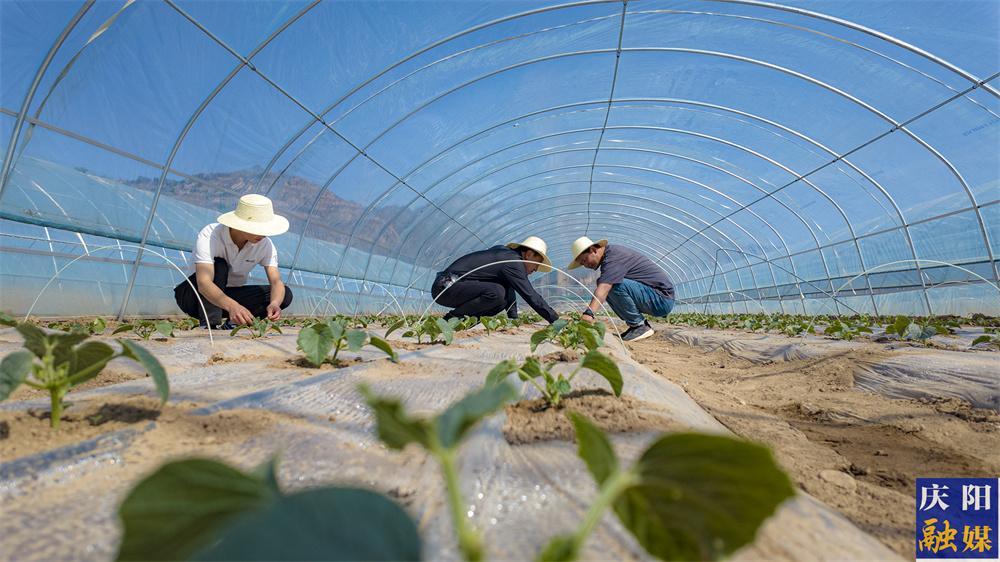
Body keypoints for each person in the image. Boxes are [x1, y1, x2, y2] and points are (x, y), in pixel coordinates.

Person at [174, 194, 293, 328]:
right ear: (241, 224)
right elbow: (203, 283)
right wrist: (233, 306)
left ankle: (233, 323)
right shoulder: (211, 234)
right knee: (219, 265)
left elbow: (276, 281)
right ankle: (209, 325)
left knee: (285, 293)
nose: (263, 234)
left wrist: (275, 303)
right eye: (259, 229)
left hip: (228, 296)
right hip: (194, 297)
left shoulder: (265, 244)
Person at [568, 236, 674, 341]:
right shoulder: (609, 256)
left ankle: (639, 326)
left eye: (585, 260)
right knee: (604, 281)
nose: (586, 265)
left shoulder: (613, 257)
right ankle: (634, 325)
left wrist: (589, 314)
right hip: (655, 297)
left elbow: (604, 288)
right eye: (583, 264)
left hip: (661, 298)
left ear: (593, 250)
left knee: (610, 284)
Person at [432, 236, 559, 324]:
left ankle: (462, 323)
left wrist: (513, 318)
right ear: (529, 254)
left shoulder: (507, 257)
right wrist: (555, 319)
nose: (536, 269)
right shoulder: (513, 262)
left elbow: (510, 291)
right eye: (536, 264)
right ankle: (450, 319)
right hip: (446, 287)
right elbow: (530, 294)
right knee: (496, 293)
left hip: (453, 287)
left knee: (501, 300)